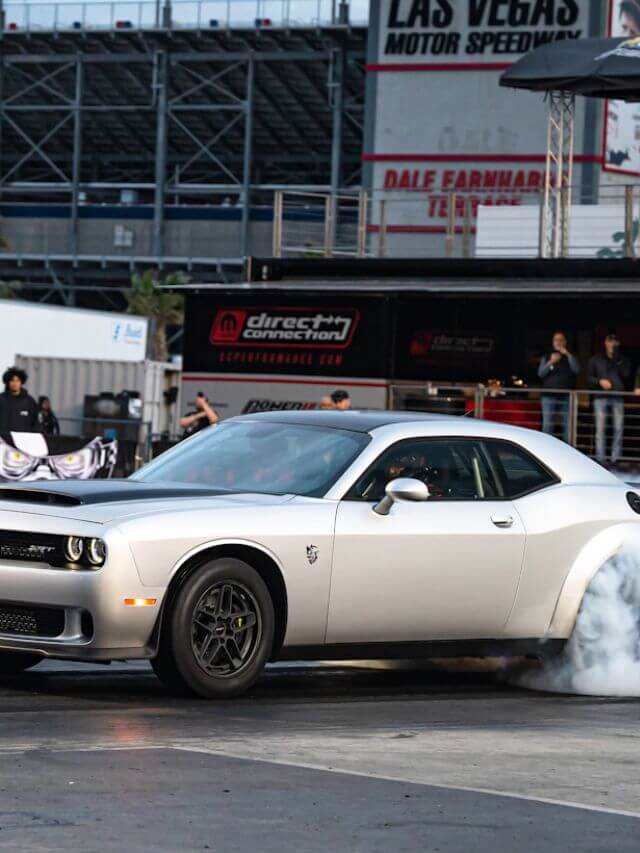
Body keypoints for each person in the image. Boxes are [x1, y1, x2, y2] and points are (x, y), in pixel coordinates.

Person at [587, 334, 631, 466]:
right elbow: (589, 378)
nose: (612, 343)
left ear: (618, 344)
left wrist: (616, 359)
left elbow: (626, 376)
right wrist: (599, 381)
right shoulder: (596, 359)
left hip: (617, 397)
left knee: (618, 429)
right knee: (600, 430)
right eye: (610, 341)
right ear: (605, 343)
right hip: (600, 397)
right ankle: (600, 460)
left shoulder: (623, 359)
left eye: (615, 341)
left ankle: (615, 460)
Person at [537, 331, 580, 442]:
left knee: (567, 425)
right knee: (548, 425)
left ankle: (567, 449)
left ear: (565, 342)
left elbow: (577, 370)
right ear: (553, 342)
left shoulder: (570, 356)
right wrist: (551, 362)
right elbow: (540, 373)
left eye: (561, 340)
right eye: (556, 340)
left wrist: (568, 354)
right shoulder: (547, 356)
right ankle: (545, 448)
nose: (558, 342)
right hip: (548, 396)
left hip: (566, 396)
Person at [0, 366, 40, 433]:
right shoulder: (1, 399)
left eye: (17, 380)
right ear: (7, 382)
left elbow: (36, 423)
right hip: (3, 438)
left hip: (23, 438)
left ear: (21, 382)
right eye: (12, 380)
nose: (14, 383)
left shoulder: (29, 401)